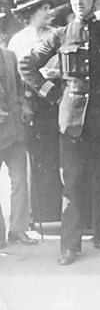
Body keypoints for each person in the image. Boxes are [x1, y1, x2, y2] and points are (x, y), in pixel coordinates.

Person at [19, 0, 100, 265]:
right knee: (72, 182)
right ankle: (69, 245)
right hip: (71, 121)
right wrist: (56, 96)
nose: (80, 3)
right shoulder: (60, 34)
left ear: (94, 2)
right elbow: (27, 67)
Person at [8, 0, 63, 228]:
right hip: (32, 105)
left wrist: (56, 73)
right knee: (34, 161)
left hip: (55, 100)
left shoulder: (58, 34)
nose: (49, 12)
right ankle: (35, 216)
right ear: (30, 12)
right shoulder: (18, 41)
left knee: (56, 158)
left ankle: (56, 214)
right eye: (44, 8)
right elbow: (13, 77)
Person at [0, 43, 35, 249]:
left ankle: (18, 230)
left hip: (14, 132)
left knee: (20, 181)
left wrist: (24, 105)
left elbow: (20, 88)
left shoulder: (9, 56)